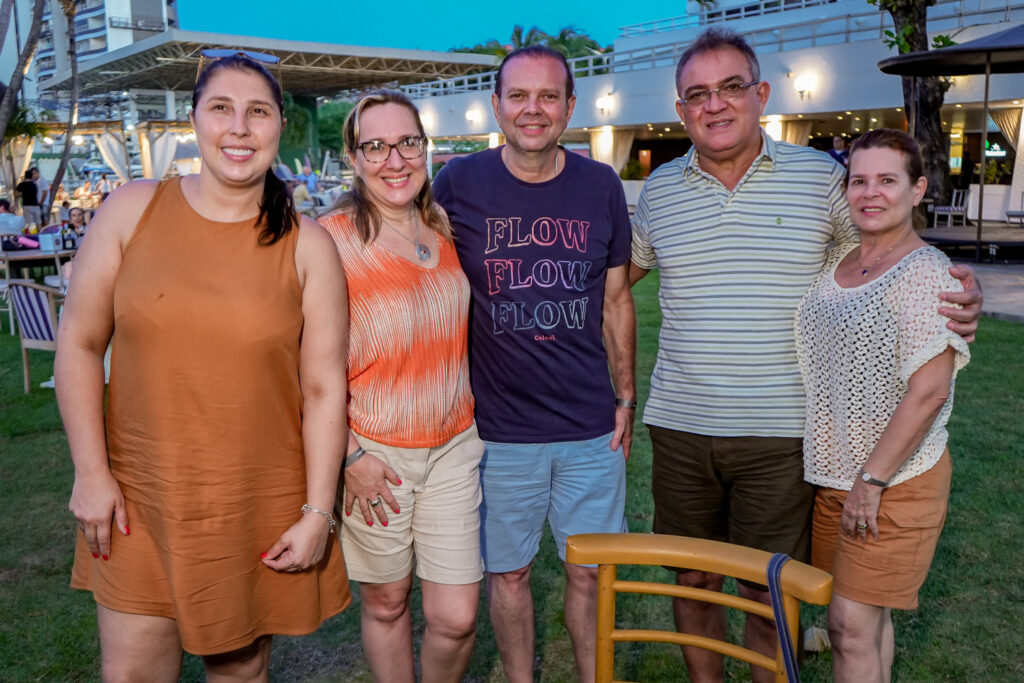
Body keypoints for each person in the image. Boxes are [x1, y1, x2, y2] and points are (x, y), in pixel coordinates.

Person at [628, 28, 982, 683]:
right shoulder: (659, 192)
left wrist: (956, 282)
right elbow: (615, 276)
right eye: (697, 94)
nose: (715, 104)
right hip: (679, 423)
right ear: (680, 109)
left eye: (731, 87)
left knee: (770, 586)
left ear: (760, 94)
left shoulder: (822, 180)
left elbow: (885, 255)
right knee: (692, 577)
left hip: (785, 429)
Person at [56, 52, 351, 681]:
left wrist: (318, 512)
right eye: (221, 108)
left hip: (252, 503)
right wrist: (90, 473)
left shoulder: (308, 245)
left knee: (241, 672)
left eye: (258, 112)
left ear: (280, 127)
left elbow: (325, 389)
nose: (239, 128)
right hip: (136, 498)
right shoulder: (131, 210)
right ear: (195, 120)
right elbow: (79, 345)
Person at [433, 46, 636, 683]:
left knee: (590, 570)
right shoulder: (457, 183)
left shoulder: (600, 184)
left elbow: (616, 299)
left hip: (589, 428)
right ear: (497, 105)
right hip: (497, 430)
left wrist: (625, 398)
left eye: (548, 96)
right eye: (518, 96)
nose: (533, 109)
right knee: (510, 573)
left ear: (570, 108)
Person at [319, 89, 483, 683]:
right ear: (354, 157)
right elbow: (302, 365)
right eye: (376, 146)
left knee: (457, 616)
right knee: (387, 603)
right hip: (374, 454)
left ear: (425, 147)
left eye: (407, 143)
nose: (395, 160)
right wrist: (349, 457)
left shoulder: (441, 228)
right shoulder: (328, 240)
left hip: (454, 447)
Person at [795, 129, 970, 682]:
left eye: (888, 180)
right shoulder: (840, 260)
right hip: (837, 474)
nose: (871, 192)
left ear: (917, 190)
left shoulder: (926, 273)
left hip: (894, 479)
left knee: (848, 625)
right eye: (859, 180)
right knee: (863, 618)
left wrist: (871, 481)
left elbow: (931, 391)